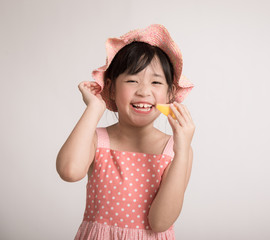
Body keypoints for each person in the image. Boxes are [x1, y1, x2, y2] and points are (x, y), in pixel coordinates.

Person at [56, 24, 195, 240]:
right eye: (132, 80)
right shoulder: (97, 140)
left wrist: (183, 148)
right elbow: (69, 171)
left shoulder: (176, 151)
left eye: (156, 82)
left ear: (170, 94)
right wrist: (95, 108)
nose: (143, 91)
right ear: (111, 88)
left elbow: (160, 222)